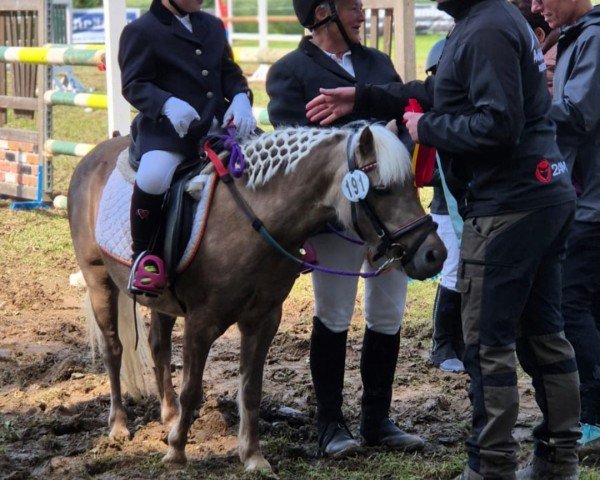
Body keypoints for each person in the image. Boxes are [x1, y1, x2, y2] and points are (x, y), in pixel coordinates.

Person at [306, 0, 582, 478]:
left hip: (509, 205)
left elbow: (497, 124)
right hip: (539, 193)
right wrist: (364, 97)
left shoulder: (486, 30)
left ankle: (490, 465)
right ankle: (558, 459)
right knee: (543, 334)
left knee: (486, 344)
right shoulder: (488, 22)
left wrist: (425, 127)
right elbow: (438, 90)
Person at [266, 0, 425, 458]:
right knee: (334, 314)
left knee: (389, 314)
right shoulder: (290, 72)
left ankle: (377, 419)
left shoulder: (377, 62)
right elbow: (296, 144)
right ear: (322, 12)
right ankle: (330, 424)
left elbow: (400, 120)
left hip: (391, 213)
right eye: (353, 6)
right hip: (338, 218)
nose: (361, 13)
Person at [118, 0, 256, 296]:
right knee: (154, 176)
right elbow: (133, 84)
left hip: (218, 126)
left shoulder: (212, 25)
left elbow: (228, 72)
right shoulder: (140, 31)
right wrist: (166, 103)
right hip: (170, 130)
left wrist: (241, 96)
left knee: (266, 157)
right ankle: (143, 257)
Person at [531, 0, 600, 459]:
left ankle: (591, 414)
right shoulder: (578, 36)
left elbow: (577, 116)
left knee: (572, 304)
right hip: (584, 198)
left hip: (589, 204)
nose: (536, 7)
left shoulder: (594, 38)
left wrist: (524, 104)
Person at [425, 39, 465, 374]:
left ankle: (459, 341)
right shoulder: (434, 115)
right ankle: (442, 344)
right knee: (453, 274)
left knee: (465, 274)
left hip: (466, 204)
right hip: (445, 206)